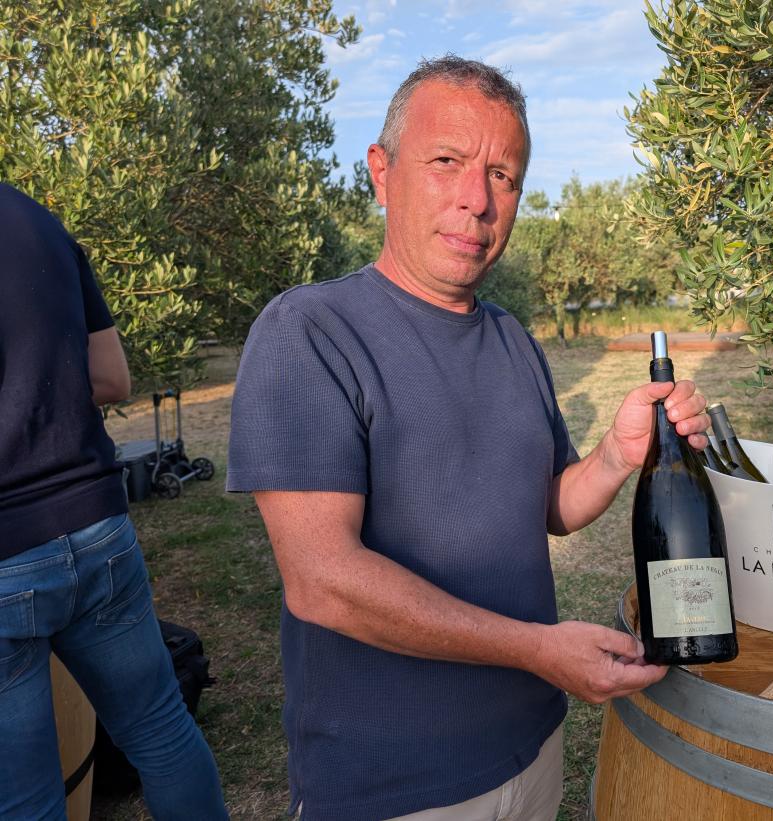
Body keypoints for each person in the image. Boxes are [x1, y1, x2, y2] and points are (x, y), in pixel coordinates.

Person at [226, 55, 709, 821]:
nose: (477, 200)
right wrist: (538, 649)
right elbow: (322, 579)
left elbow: (549, 508)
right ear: (381, 172)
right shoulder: (311, 331)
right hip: (395, 786)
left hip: (532, 746)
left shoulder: (512, 337)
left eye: (503, 176)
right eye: (446, 162)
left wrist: (617, 455)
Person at [0, 183, 229, 820]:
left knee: (23, 797)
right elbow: (112, 379)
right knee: (161, 730)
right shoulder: (39, 223)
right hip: (95, 526)